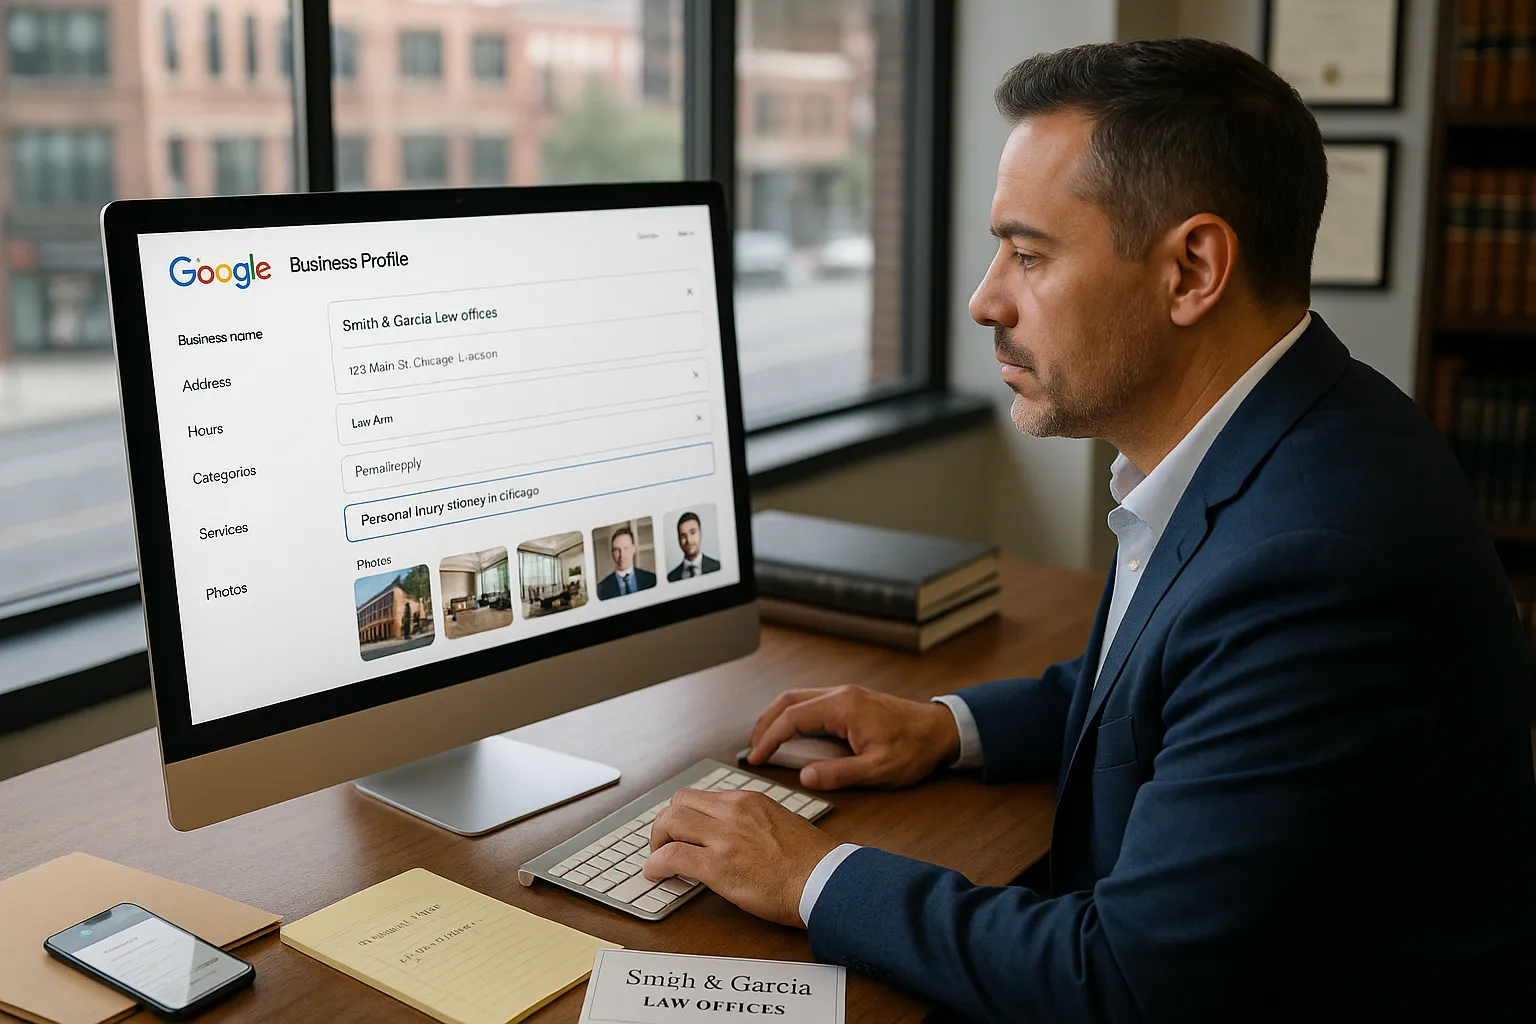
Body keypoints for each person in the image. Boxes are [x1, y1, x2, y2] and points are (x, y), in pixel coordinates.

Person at [640, 39, 1536, 1021]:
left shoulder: (1314, 560)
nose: (986, 298)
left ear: (1192, 268)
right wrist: (949, 726)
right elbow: (1167, 683)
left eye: (1029, 253)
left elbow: (1125, 982)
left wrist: (813, 874)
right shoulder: (1301, 428)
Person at [595, 524, 656, 599]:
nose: (622, 555)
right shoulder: (601, 590)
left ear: (633, 549)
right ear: (612, 553)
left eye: (626, 548)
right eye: (617, 550)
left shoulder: (652, 579)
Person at [667, 511, 721, 581]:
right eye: (683, 536)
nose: (689, 541)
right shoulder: (671, 578)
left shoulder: (718, 567)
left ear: (700, 534)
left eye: (693, 533)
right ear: (678, 539)